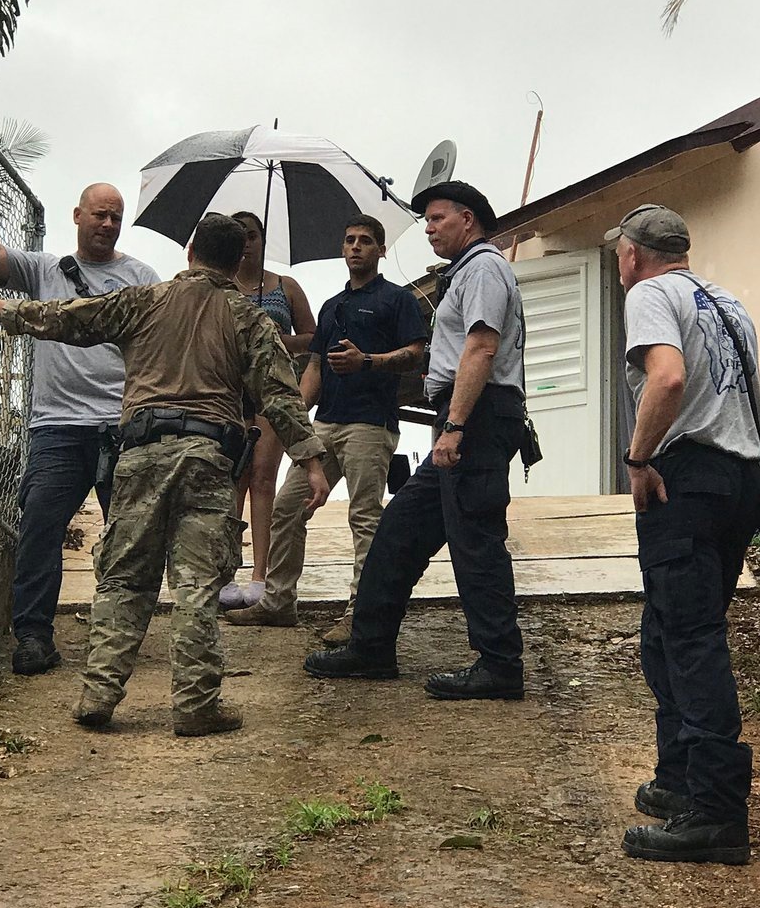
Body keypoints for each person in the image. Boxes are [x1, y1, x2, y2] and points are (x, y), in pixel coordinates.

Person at [0, 213, 329, 736]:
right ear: (236, 258)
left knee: (124, 576)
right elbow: (281, 398)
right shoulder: (249, 319)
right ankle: (196, 704)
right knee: (198, 583)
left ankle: (98, 694)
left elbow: (70, 317)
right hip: (207, 455)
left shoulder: (143, 300)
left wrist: (6, 310)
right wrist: (312, 462)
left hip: (139, 453)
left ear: (191, 250)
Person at [303, 182, 528, 698]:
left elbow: (481, 349)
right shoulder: (465, 272)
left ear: (467, 220)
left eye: (436, 218)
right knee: (399, 530)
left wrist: (454, 427)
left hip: (476, 416)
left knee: (475, 541)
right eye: (426, 220)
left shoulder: (486, 268)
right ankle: (372, 647)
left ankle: (500, 665)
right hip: (463, 414)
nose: (427, 228)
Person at [601, 205, 760, 866]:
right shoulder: (726, 302)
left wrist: (638, 460)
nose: (619, 264)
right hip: (739, 480)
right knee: (667, 633)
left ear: (635, 254)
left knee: (692, 641)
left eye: (619, 253)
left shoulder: (649, 294)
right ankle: (680, 781)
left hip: (686, 482)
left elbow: (666, 378)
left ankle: (718, 814)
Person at [0, 158, 160, 677]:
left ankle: (122, 636)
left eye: (116, 217)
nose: (108, 224)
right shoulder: (45, 270)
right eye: (100, 214)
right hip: (56, 427)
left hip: (124, 425)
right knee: (40, 529)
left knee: (132, 537)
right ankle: (32, 637)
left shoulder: (141, 277)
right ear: (77, 215)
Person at [226, 214, 428, 645]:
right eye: (350, 240)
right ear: (343, 248)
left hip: (370, 425)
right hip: (325, 425)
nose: (356, 247)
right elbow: (315, 366)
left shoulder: (398, 300)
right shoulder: (333, 306)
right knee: (287, 507)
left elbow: (414, 354)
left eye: (366, 241)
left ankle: (362, 615)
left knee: (365, 518)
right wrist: (293, 416)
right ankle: (279, 602)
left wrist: (369, 361)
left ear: (380, 250)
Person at [219, 210, 315, 609]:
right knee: (231, 480)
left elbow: (312, 337)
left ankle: (261, 574)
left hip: (271, 392)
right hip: (227, 393)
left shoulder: (284, 287)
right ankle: (225, 572)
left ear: (262, 239)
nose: (246, 242)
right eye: (238, 235)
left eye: (253, 234)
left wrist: (281, 341)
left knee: (262, 477)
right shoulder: (220, 288)